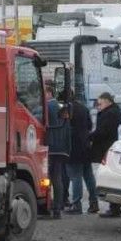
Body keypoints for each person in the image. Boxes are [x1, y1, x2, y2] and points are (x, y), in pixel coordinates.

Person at [90, 92, 121, 218]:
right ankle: (114, 207)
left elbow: (103, 131)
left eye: (100, 104)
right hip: (111, 148)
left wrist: (89, 137)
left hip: (108, 149)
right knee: (112, 179)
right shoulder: (114, 111)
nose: (98, 107)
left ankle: (114, 208)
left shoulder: (110, 114)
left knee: (111, 179)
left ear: (107, 101)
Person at [65, 91, 96, 214]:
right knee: (89, 176)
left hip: (73, 147)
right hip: (85, 146)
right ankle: (94, 202)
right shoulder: (83, 108)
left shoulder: (67, 109)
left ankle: (76, 204)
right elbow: (89, 125)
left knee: (75, 176)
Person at [44, 83, 71, 220]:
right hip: (61, 148)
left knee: (46, 178)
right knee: (57, 178)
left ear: (49, 93)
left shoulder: (47, 107)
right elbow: (67, 129)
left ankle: (47, 206)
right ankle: (58, 208)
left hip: (49, 147)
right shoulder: (62, 108)